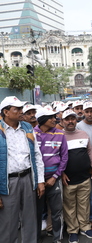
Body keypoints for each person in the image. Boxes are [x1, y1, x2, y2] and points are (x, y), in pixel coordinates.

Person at [0, 96, 45, 243]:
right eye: (17, 109)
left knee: (29, 220)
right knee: (8, 222)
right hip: (7, 183)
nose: (21, 111)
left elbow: (37, 155)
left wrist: (40, 181)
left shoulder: (27, 128)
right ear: (6, 112)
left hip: (27, 179)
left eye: (21, 108)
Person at [61, 109, 92, 243]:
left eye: (73, 118)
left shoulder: (83, 134)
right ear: (62, 121)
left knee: (84, 205)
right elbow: (57, 157)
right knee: (69, 207)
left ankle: (85, 227)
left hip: (84, 178)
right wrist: (62, 173)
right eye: (67, 119)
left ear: (76, 120)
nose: (70, 121)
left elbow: (90, 151)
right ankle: (72, 230)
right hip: (68, 180)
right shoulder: (59, 136)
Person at [34, 106, 68, 243]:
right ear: (42, 120)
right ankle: (35, 237)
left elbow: (64, 157)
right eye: (51, 118)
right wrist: (39, 180)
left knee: (56, 211)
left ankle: (57, 238)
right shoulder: (31, 134)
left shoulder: (60, 134)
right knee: (36, 212)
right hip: (37, 181)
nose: (55, 119)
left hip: (54, 179)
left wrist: (55, 177)